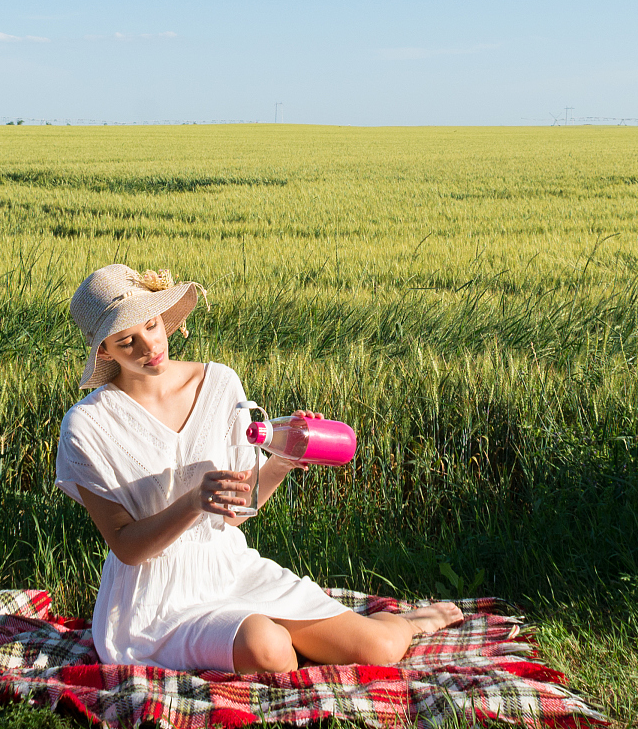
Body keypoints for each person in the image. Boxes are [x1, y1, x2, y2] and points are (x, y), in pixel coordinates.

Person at [53, 263, 463, 673]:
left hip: (229, 568)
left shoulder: (219, 384)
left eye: (153, 324)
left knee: (380, 648)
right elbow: (126, 546)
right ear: (104, 350)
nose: (150, 346)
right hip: (155, 603)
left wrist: (282, 462)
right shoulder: (87, 425)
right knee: (268, 648)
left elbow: (234, 514)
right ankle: (283, 643)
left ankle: (406, 623)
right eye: (127, 341)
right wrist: (193, 502)